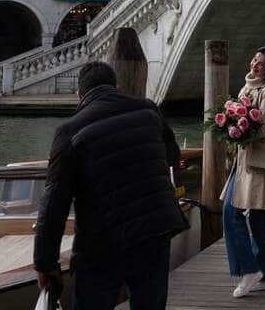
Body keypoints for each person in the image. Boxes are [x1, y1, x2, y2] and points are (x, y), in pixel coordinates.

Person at [34, 62, 187, 310]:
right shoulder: (149, 110)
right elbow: (172, 156)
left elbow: (54, 204)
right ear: (115, 86)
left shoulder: (69, 131)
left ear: (79, 95)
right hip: (155, 230)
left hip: (102, 240)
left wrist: (45, 263)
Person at [222, 47, 265, 298]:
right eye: (254, 60)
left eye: (260, 64)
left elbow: (262, 128)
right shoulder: (244, 88)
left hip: (259, 164)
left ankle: (249, 270)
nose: (254, 65)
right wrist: (229, 127)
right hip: (243, 162)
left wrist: (237, 131)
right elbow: (235, 117)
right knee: (258, 219)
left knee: (232, 212)